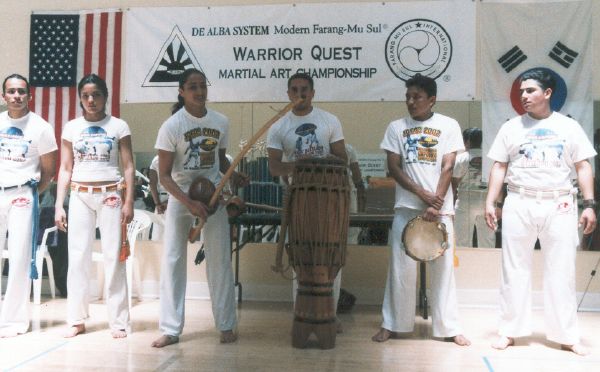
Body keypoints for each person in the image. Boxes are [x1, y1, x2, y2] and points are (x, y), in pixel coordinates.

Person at [485, 68, 596, 355]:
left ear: (547, 93)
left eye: (530, 90)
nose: (524, 96)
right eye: (522, 91)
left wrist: (589, 205)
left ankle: (566, 335)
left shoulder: (569, 127)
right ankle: (509, 331)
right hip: (519, 201)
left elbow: (584, 166)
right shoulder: (511, 127)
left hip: (559, 203)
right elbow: (499, 166)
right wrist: (490, 202)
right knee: (514, 269)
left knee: (561, 270)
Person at [151, 69, 248, 348]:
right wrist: (189, 202)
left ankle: (227, 325)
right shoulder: (171, 126)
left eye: (202, 85)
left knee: (219, 260)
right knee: (173, 260)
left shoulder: (220, 121)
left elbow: (219, 162)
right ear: (181, 91)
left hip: (213, 197)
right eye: (192, 86)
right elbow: (165, 176)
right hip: (181, 197)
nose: (199, 91)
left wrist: (233, 174)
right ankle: (170, 328)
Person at [372, 74, 470, 346]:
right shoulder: (396, 127)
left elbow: (448, 166)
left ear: (432, 99)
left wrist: (435, 202)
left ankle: (449, 327)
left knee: (444, 270)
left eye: (417, 97)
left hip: (440, 211)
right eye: (408, 97)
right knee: (400, 270)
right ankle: (392, 324)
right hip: (406, 208)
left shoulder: (448, 125)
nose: (411, 102)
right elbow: (394, 167)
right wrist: (422, 194)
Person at [54, 74, 135, 338]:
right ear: (79, 97)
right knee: (78, 258)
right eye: (86, 95)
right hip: (79, 193)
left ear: (105, 96)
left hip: (111, 193)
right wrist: (59, 205)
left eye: (96, 94)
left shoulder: (118, 126)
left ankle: (119, 321)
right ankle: (76, 319)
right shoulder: (71, 127)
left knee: (114, 257)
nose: (91, 100)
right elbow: (65, 168)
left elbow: (129, 166)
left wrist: (129, 201)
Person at [266, 72, 348, 323]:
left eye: (304, 89)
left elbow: (341, 159)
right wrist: (299, 168)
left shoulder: (329, 120)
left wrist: (318, 165)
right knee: (300, 254)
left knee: (330, 252)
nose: (299, 93)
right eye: (294, 89)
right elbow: (274, 166)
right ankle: (302, 313)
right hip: (298, 198)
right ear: (288, 94)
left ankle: (329, 315)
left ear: (313, 93)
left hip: (327, 200)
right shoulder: (278, 126)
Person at [0, 74, 57, 337]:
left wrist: (30, 191)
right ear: (3, 96)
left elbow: (48, 171)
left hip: (23, 195)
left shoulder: (41, 127)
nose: (16, 96)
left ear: (29, 95)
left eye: (21, 91)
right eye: (11, 91)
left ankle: (13, 322)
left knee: (20, 257)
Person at [451, 128, 495, 247]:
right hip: (487, 201)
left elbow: (453, 184)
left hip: (465, 200)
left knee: (462, 241)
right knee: (487, 241)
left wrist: (450, 206)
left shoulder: (461, 158)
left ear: (466, 141)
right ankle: (487, 265)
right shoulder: (490, 158)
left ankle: (464, 265)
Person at [346, 143, 366, 244]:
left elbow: (357, 177)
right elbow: (357, 177)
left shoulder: (348, 149)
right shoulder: (348, 149)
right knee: (351, 231)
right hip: (346, 193)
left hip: (346, 193)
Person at [148, 155, 167, 241]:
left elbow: (152, 183)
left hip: (161, 200)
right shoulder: (181, 157)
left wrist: (158, 204)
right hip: (179, 199)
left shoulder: (156, 159)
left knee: (158, 237)